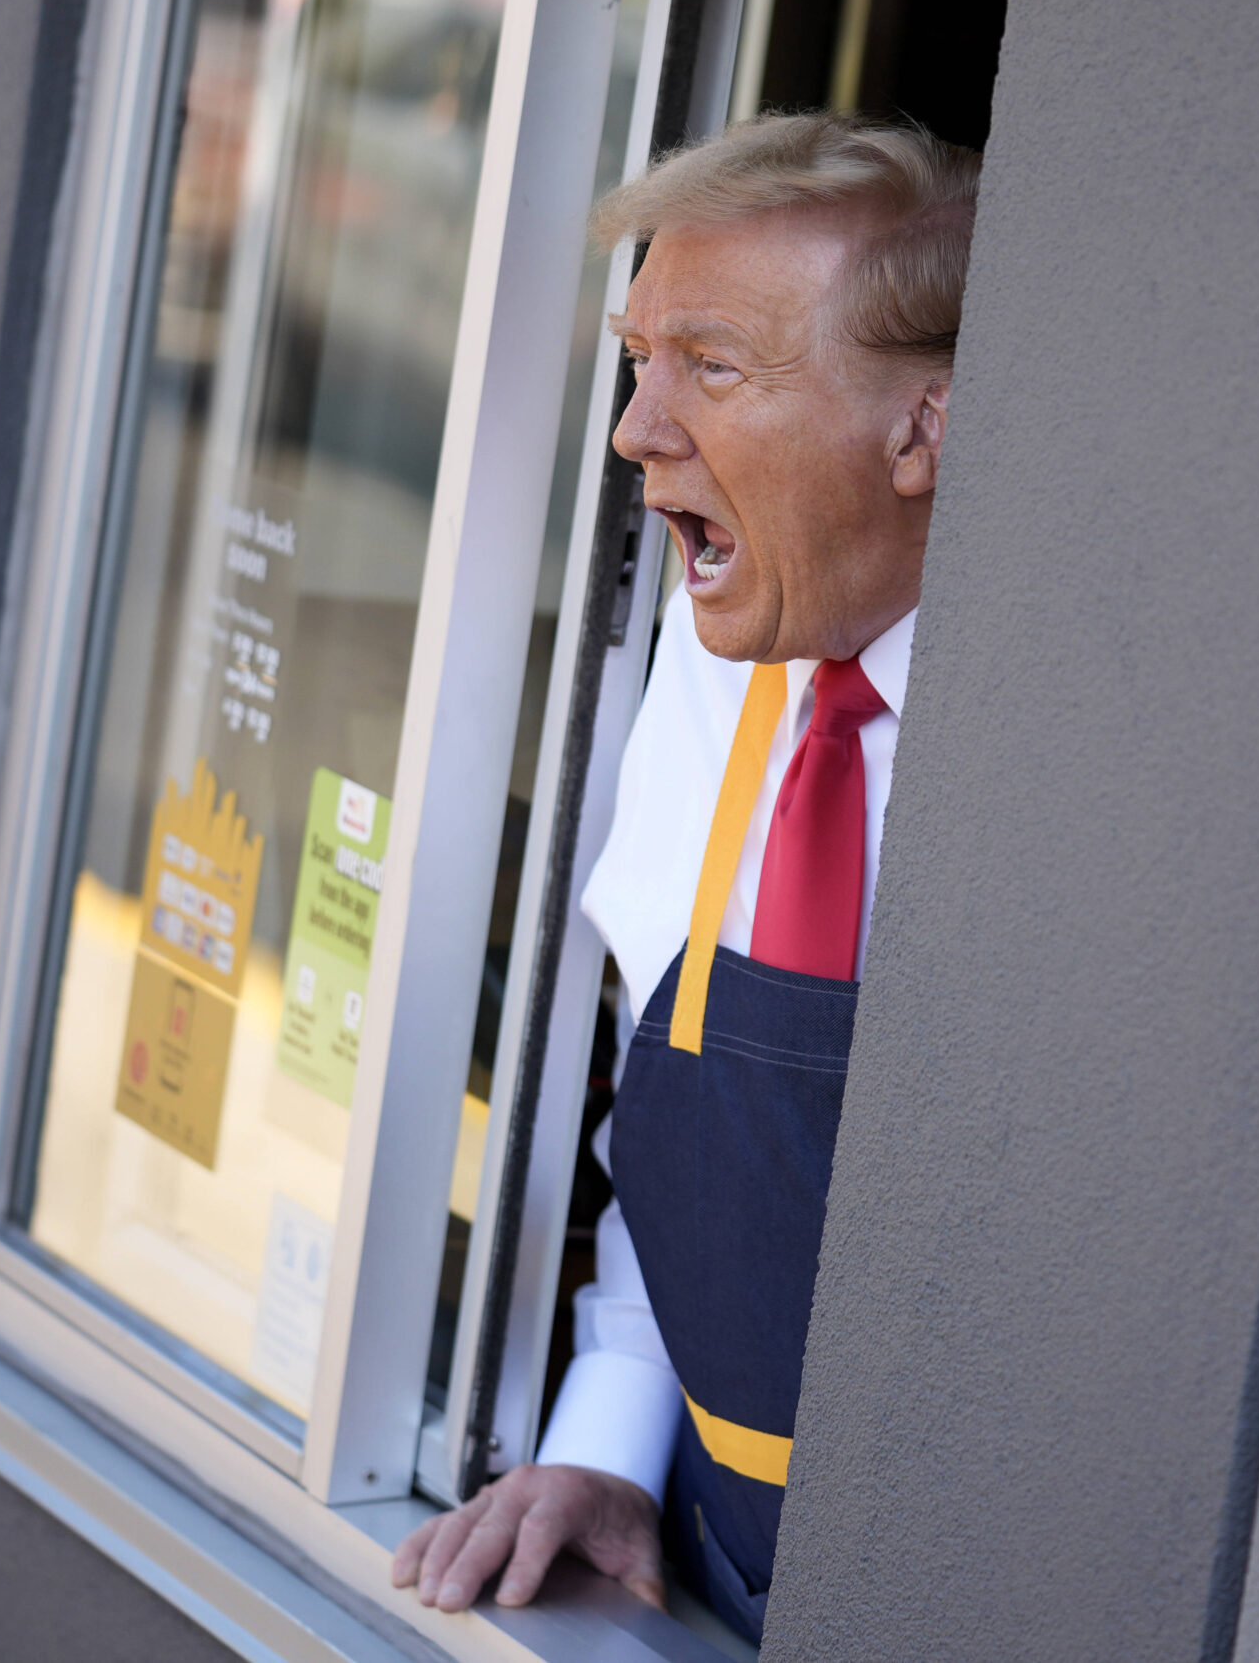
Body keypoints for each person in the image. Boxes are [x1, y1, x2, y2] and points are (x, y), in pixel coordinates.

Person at [390, 111, 977, 1644]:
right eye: (637, 358)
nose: (637, 430)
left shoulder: (1055, 786)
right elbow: (688, 1129)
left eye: (709, 367)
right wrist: (607, 1442)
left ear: (928, 430)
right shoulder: (724, 675)